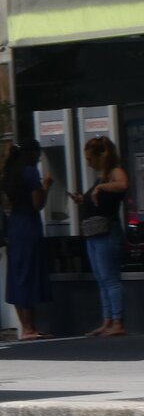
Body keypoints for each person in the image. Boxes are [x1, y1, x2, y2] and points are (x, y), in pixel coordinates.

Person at [69, 135, 129, 337]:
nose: (89, 163)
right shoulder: (101, 177)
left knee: (110, 278)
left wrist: (101, 187)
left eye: (90, 159)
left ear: (101, 156)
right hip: (94, 233)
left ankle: (118, 321)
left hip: (106, 231)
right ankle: (108, 320)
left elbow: (123, 185)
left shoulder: (114, 172)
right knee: (102, 279)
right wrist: (82, 199)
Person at [1, 139, 53, 340]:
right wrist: (46, 187)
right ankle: (30, 328)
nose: (39, 157)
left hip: (14, 225)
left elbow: (6, 203)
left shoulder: (10, 173)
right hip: (29, 226)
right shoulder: (30, 172)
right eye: (38, 153)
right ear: (32, 154)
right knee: (29, 275)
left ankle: (25, 327)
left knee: (17, 275)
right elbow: (37, 203)